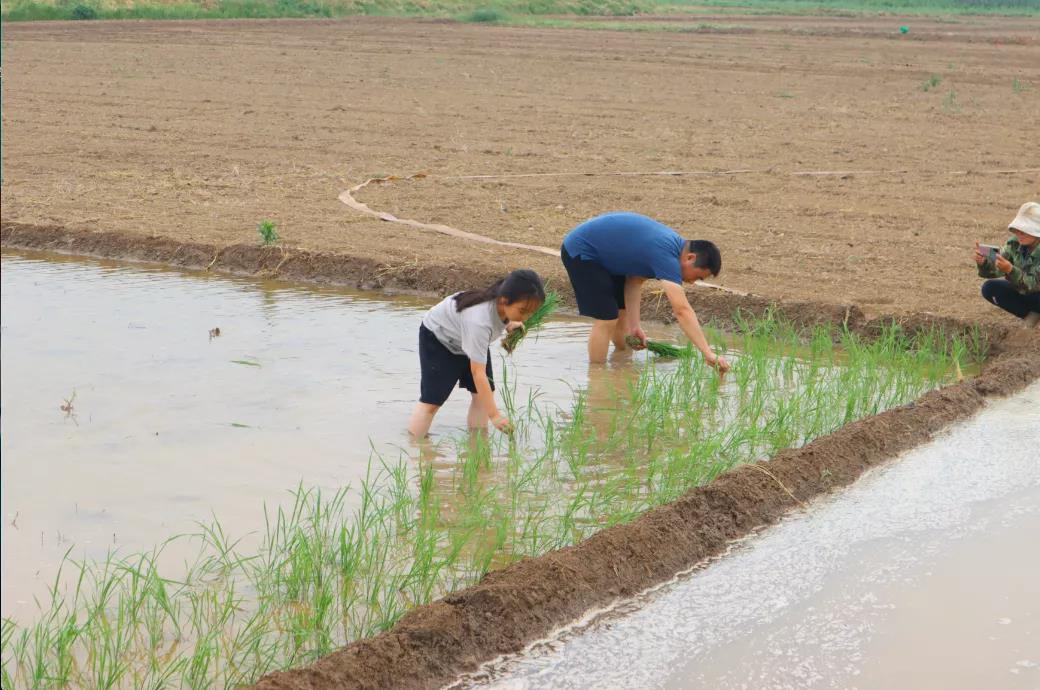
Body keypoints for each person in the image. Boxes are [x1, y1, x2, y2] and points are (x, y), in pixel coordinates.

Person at [561, 211, 731, 371]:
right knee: (607, 317)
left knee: (621, 314)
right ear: (690, 258)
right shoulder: (667, 255)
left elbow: (634, 281)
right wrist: (707, 353)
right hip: (581, 252)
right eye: (698, 277)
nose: (693, 282)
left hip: (606, 257)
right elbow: (682, 311)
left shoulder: (670, 248)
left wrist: (635, 326)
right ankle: (597, 376)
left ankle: (622, 362)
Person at [407, 269, 545, 438]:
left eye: (531, 312)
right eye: (523, 311)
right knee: (432, 402)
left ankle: (478, 446)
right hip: (440, 338)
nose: (526, 318)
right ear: (504, 300)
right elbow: (478, 373)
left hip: (468, 338)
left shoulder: (503, 299)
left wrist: (509, 323)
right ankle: (416, 450)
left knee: (482, 395)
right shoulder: (479, 321)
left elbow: (500, 317)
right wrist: (495, 416)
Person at [974, 201, 1040, 327]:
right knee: (989, 288)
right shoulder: (1014, 243)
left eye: (1024, 231)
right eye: (1018, 230)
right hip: (1028, 293)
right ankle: (1031, 316)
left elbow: (1033, 284)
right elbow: (998, 264)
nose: (1019, 234)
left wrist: (1010, 270)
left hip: (1036, 291)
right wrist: (984, 262)